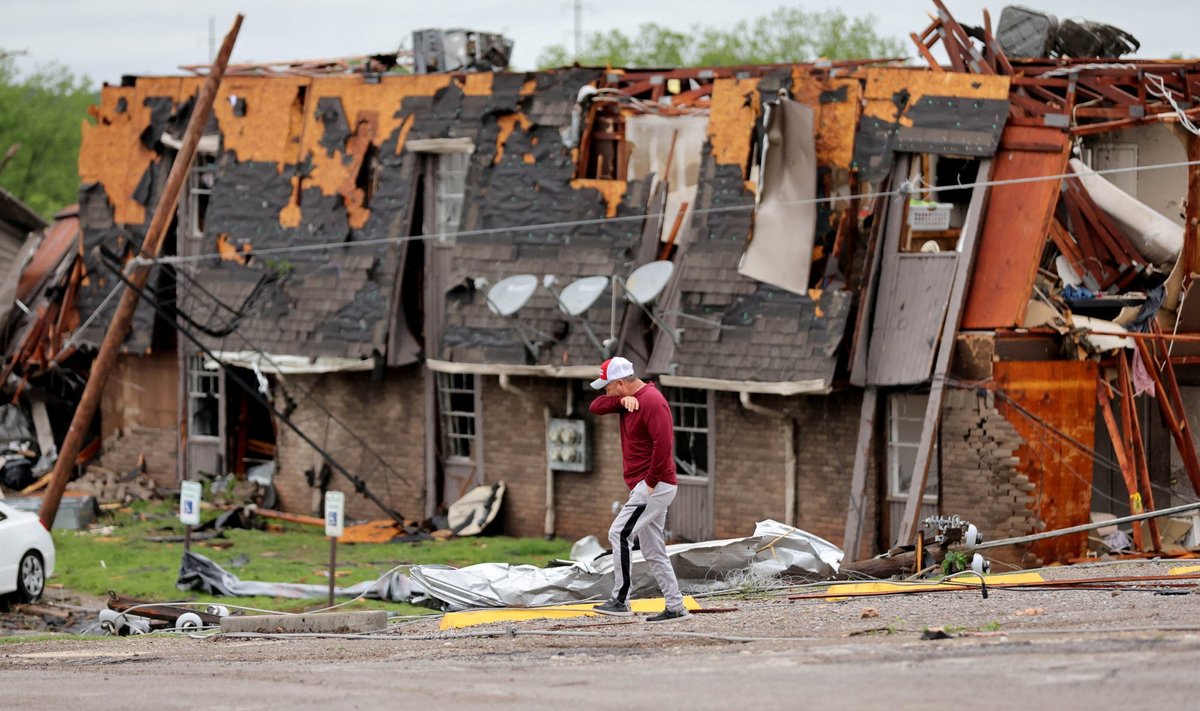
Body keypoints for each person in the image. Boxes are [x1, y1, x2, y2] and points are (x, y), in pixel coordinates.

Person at [587, 356, 689, 622]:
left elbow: (664, 444)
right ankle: (676, 606)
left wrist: (651, 482)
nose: (605, 391)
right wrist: (620, 401)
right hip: (650, 485)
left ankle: (620, 600)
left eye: (608, 386)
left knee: (619, 533)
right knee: (653, 549)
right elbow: (595, 406)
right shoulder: (628, 401)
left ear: (620, 382)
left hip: (653, 484)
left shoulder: (652, 401)